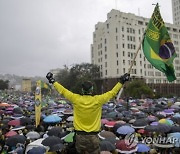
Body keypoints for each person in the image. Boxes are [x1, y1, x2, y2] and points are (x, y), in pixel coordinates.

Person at [46, 72, 130, 154]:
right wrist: (121, 81)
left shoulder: (76, 99)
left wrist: (53, 81)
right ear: (92, 89)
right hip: (93, 137)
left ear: (82, 90)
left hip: (80, 137)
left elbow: (63, 91)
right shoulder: (98, 100)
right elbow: (112, 93)